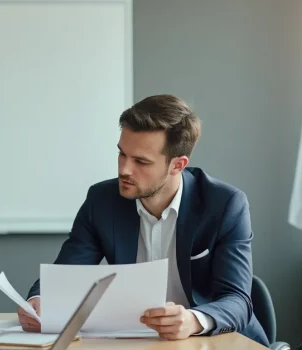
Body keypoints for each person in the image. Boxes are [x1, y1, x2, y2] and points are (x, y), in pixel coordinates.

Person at [17, 94, 268, 346]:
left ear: (177, 165)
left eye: (141, 161)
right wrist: (40, 300)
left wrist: (193, 320)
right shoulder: (102, 200)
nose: (124, 169)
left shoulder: (224, 204)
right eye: (122, 154)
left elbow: (237, 300)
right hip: (138, 341)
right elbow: (65, 274)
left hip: (217, 343)